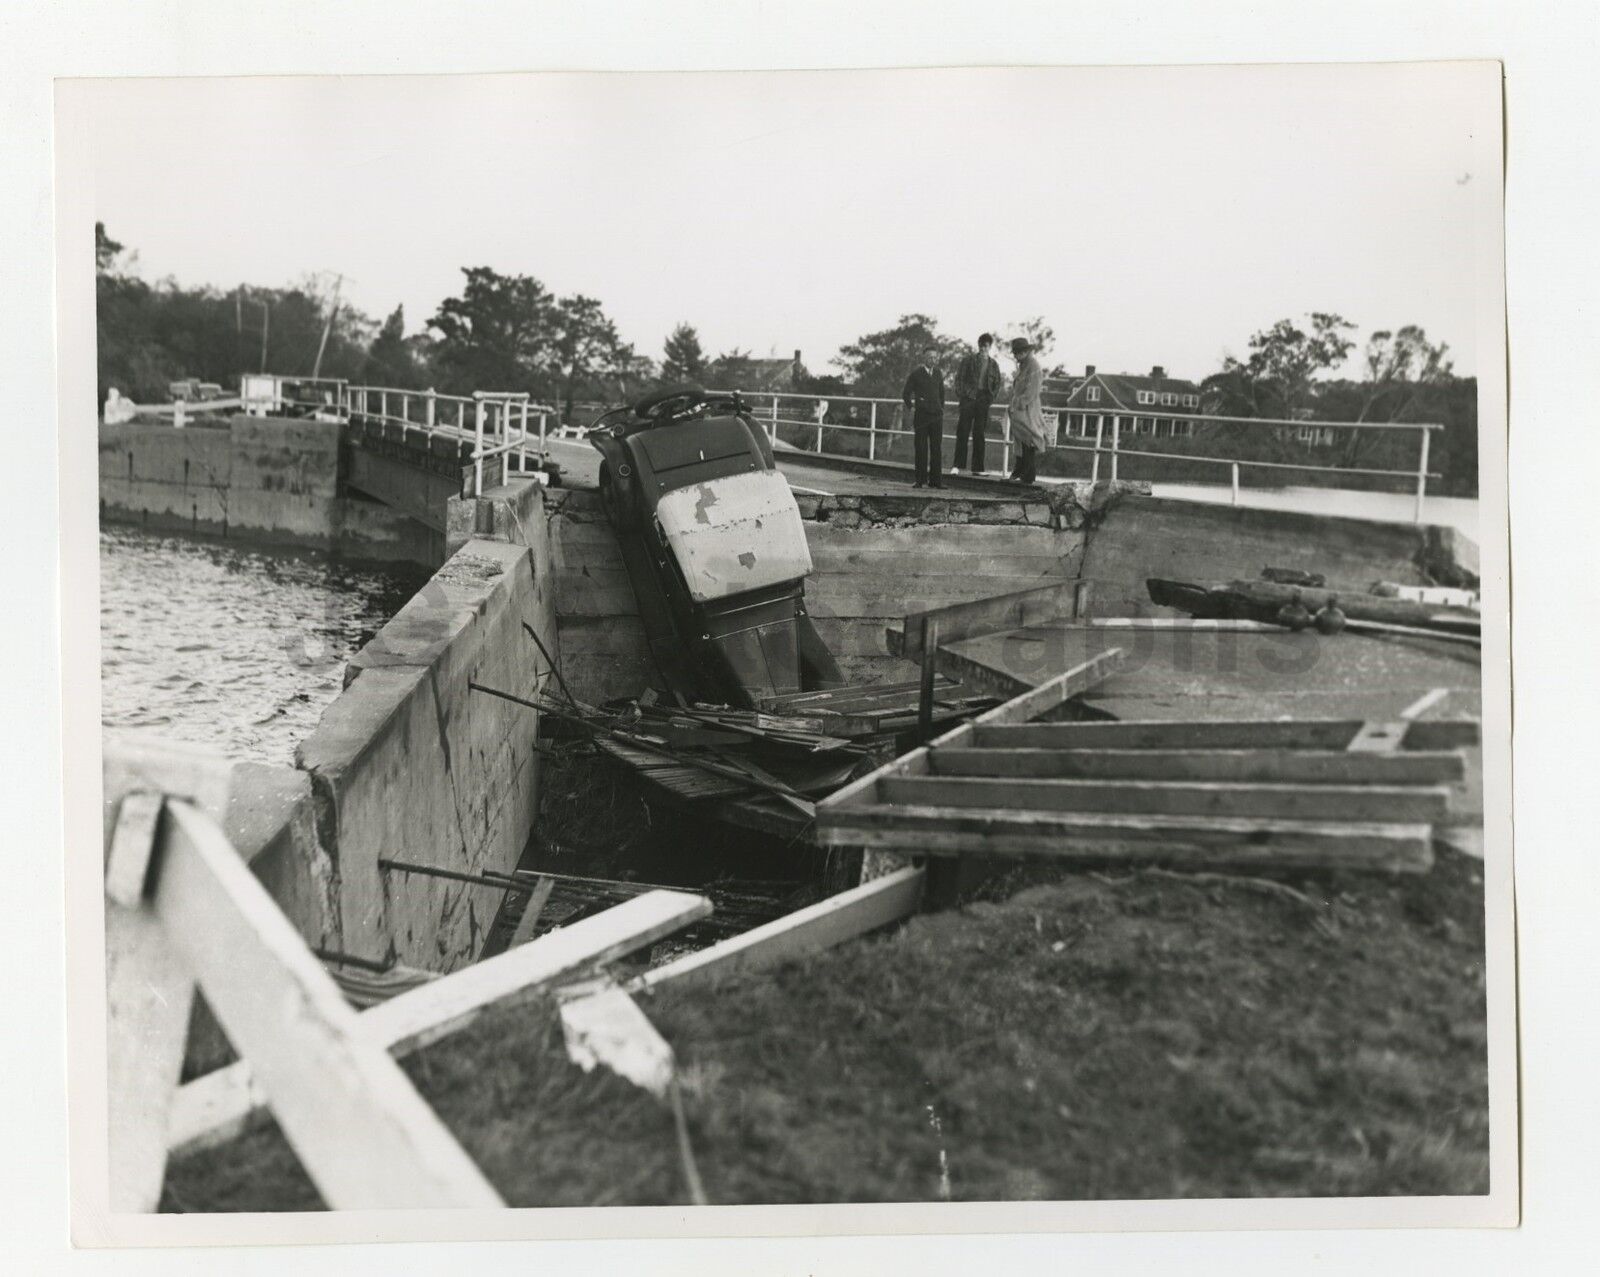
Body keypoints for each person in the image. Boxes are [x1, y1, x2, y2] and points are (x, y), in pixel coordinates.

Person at [951, 332, 1004, 475]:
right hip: (968, 399)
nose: (983, 348)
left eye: (986, 346)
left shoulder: (994, 365)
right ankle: (957, 466)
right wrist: (962, 396)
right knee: (962, 432)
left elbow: (997, 384)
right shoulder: (968, 360)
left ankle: (978, 468)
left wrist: (989, 399)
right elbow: (959, 379)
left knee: (979, 434)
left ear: (990, 347)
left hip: (983, 401)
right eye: (981, 345)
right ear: (978, 345)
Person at [900, 343, 947, 489]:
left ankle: (936, 481)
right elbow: (906, 394)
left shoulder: (938, 373)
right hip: (921, 416)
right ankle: (920, 481)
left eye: (935, 357)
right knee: (921, 448)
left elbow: (942, 394)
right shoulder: (916, 374)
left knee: (936, 448)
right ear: (924, 358)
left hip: (936, 417)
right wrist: (912, 407)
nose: (933, 360)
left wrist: (941, 409)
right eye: (930, 357)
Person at [1006, 337, 1047, 485]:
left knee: (1029, 438)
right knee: (1021, 439)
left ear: (1024, 352)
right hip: (1020, 410)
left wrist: (1019, 403)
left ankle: (1028, 475)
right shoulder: (1024, 366)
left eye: (1017, 353)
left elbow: (1033, 389)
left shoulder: (1033, 366)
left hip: (1028, 409)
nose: (1015, 357)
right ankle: (1021, 471)